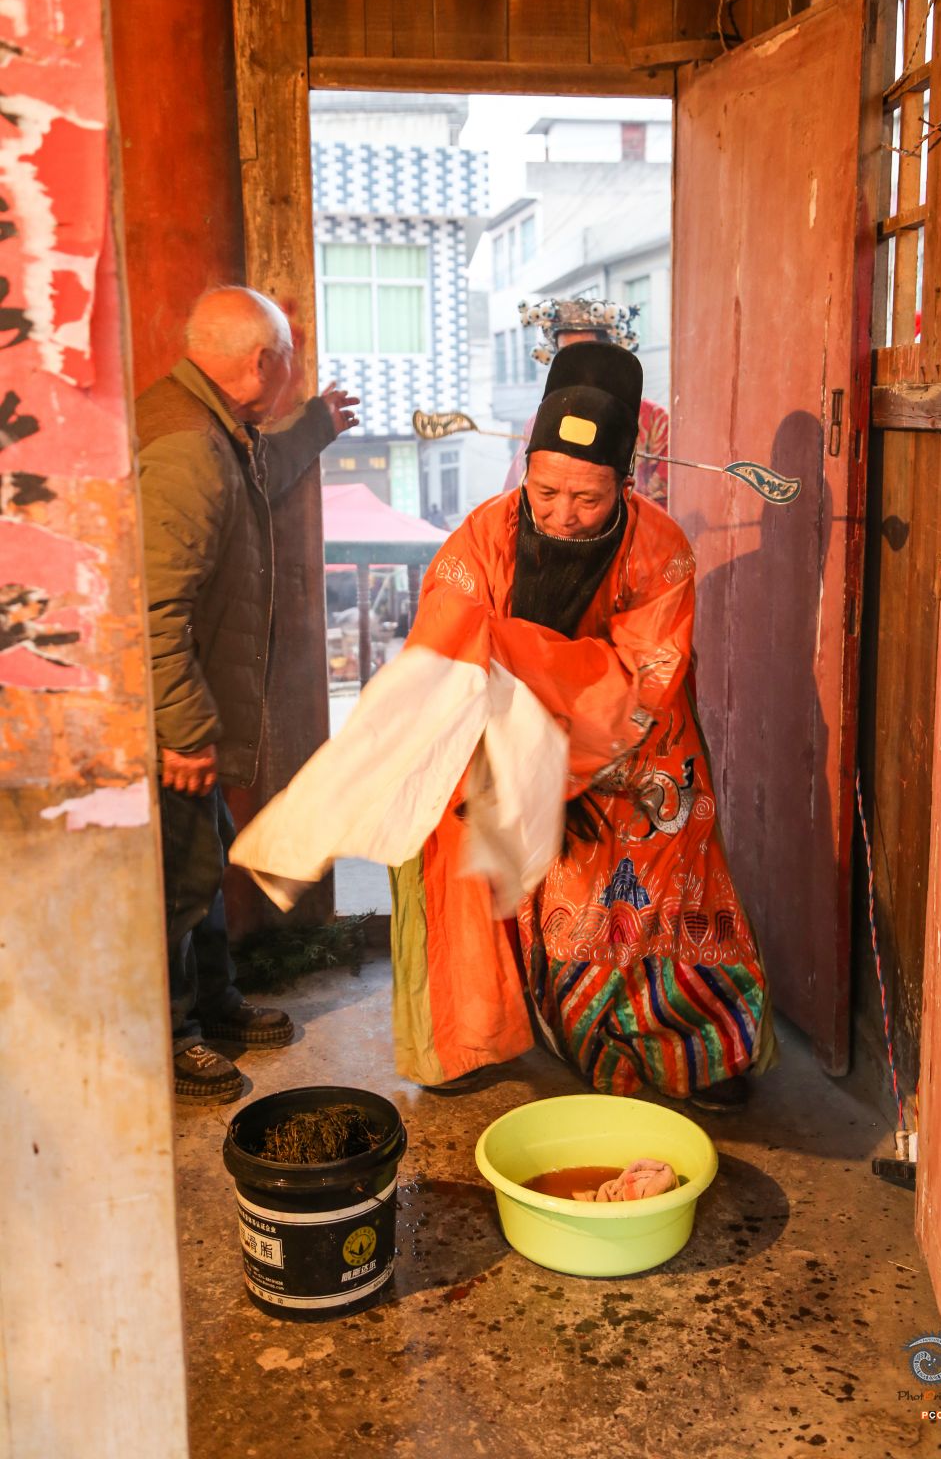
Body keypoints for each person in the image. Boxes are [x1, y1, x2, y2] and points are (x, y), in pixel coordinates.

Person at [231, 341, 775, 1111]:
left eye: (588, 498)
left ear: (625, 483)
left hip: (632, 740)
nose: (562, 514)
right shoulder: (480, 541)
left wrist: (516, 657)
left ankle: (687, 1045)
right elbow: (443, 656)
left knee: (657, 861)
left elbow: (647, 674)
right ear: (526, 469)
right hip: (493, 729)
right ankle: (474, 1034)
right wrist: (498, 703)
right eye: (545, 490)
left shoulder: (660, 550)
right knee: (450, 830)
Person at [136, 286, 359, 1102]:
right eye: (289, 356)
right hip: (172, 721)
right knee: (178, 880)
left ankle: (216, 1002)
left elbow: (252, 480)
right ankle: (173, 1040)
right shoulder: (188, 447)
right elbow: (154, 609)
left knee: (204, 855)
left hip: (186, 712)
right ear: (263, 361)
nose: (292, 370)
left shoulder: (210, 427)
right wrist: (187, 731)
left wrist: (315, 426)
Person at [505, 297, 670, 509]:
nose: (577, 364)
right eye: (566, 355)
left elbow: (667, 502)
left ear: (610, 356)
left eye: (588, 353)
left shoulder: (654, 420)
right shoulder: (539, 423)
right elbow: (515, 497)